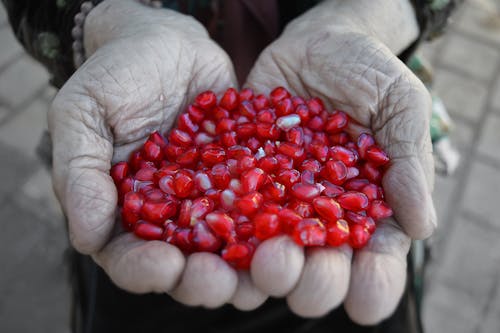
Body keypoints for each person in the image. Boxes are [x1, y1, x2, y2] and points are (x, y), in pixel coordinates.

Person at [2, 0, 460, 332]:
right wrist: (99, 18)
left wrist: (371, 14)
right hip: (135, 119)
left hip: (355, 105)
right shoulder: (188, 168)